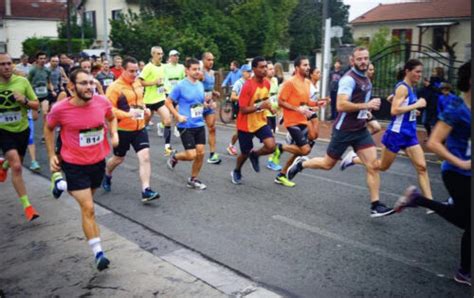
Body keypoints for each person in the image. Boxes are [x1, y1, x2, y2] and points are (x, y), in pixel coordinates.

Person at [286, 47, 393, 217]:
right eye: (359, 59)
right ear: (352, 61)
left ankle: (375, 205)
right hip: (343, 130)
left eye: (366, 58)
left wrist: (368, 114)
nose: (363, 62)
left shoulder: (366, 80)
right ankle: (301, 164)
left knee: (373, 165)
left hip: (360, 130)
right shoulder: (348, 80)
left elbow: (361, 105)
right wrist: (367, 105)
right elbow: (341, 105)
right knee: (327, 164)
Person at [394, 61, 471, 286]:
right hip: (456, 172)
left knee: (464, 219)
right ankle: (464, 271)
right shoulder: (456, 107)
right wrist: (462, 163)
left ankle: (418, 199)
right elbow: (435, 143)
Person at [44, 68, 118, 271]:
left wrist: (114, 134)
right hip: (74, 163)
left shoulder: (102, 102)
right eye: (84, 83)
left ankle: (60, 183)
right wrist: (52, 155)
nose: (89, 87)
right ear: (71, 87)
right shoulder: (60, 109)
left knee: (89, 202)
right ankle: (99, 253)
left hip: (97, 162)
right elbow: (48, 128)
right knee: (89, 208)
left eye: (91, 83)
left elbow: (112, 117)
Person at [340, 59, 434, 212]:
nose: (419, 75)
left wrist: (411, 110)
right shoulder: (403, 88)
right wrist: (417, 105)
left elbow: (393, 100)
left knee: (422, 167)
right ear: (407, 71)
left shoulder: (411, 87)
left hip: (409, 134)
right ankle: (353, 159)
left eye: (420, 72)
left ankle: (430, 204)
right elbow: (394, 111)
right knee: (381, 166)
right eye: (417, 71)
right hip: (396, 134)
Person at [102, 56, 160, 202]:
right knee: (118, 159)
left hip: (139, 128)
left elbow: (140, 101)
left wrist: (145, 109)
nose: (134, 74)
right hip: (122, 129)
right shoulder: (115, 87)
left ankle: (146, 190)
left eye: (136, 71)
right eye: (131, 71)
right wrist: (127, 114)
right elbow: (108, 110)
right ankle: (107, 173)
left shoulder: (138, 84)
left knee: (145, 157)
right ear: (123, 70)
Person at [0, 52, 40, 221]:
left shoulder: (22, 82)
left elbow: (36, 104)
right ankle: (28, 206)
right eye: (2, 64)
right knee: (17, 167)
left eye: (9, 63)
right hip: (3, 130)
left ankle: (4, 165)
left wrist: (24, 101)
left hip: (22, 129)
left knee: (16, 162)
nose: (7, 67)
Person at [230, 56, 277, 185]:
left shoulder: (267, 83)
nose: (264, 70)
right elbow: (243, 109)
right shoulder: (248, 86)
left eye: (266, 67)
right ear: (254, 69)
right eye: (261, 67)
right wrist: (259, 106)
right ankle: (237, 170)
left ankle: (255, 155)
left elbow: (265, 100)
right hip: (245, 124)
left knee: (271, 146)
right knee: (244, 153)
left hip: (260, 121)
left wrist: (271, 109)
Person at [165, 58, 208, 189]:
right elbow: (168, 101)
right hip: (186, 125)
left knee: (200, 153)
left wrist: (206, 105)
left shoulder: (200, 85)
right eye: (194, 69)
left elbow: (199, 103)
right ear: (187, 70)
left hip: (199, 124)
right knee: (191, 155)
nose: (197, 72)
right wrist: (177, 116)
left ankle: (193, 179)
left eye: (198, 69)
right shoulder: (180, 86)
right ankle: (175, 157)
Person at [139, 46, 173, 155]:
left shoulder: (164, 67)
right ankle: (138, 141)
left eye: (162, 54)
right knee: (143, 124)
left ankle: (167, 147)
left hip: (160, 99)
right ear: (152, 54)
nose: (160, 56)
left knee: (168, 120)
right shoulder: (148, 67)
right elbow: (140, 81)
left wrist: (166, 88)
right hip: (148, 101)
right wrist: (153, 82)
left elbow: (165, 80)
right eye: (158, 54)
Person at [226, 64, 252, 156]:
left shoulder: (251, 82)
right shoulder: (238, 83)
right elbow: (232, 97)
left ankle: (247, 148)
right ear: (242, 72)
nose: (249, 74)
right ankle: (231, 145)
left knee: (250, 129)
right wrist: (243, 99)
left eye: (250, 71)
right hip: (239, 108)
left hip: (248, 109)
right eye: (247, 72)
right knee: (239, 130)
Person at [200, 52, 221, 164]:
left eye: (212, 59)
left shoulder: (212, 73)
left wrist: (214, 92)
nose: (211, 62)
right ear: (203, 60)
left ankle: (212, 154)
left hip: (209, 103)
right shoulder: (200, 73)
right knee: (195, 129)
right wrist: (202, 100)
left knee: (212, 128)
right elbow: (195, 87)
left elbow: (208, 88)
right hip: (198, 104)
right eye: (208, 59)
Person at [420, 67, 445, 137]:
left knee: (436, 123)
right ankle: (429, 134)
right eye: (432, 71)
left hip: (437, 105)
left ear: (439, 73)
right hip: (429, 104)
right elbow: (427, 90)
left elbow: (441, 91)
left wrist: (429, 85)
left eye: (434, 72)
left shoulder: (442, 81)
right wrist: (426, 85)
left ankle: (435, 137)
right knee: (424, 122)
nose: (432, 73)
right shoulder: (431, 80)